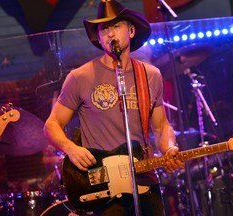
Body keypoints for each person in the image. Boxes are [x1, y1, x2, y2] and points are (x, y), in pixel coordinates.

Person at [43, 0, 184, 215]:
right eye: (104, 28)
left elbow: (161, 126)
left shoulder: (150, 75)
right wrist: (71, 149)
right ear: (98, 37)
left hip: (144, 177)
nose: (110, 33)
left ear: (131, 30)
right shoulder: (80, 76)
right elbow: (51, 124)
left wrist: (169, 148)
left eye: (116, 26)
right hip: (104, 186)